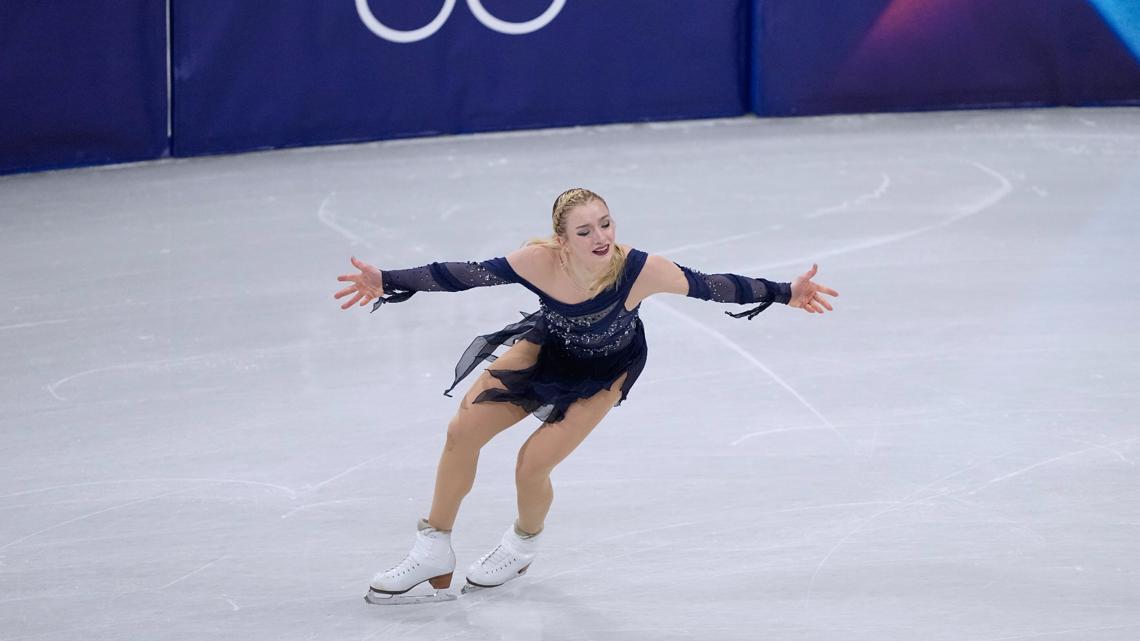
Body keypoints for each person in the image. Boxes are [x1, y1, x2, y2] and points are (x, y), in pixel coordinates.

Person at [334, 188, 839, 604]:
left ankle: (522, 543)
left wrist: (784, 292)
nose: (600, 237)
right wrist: (387, 280)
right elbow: (461, 274)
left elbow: (713, 285)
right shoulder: (536, 261)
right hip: (546, 346)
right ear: (562, 240)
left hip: (606, 369)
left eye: (605, 223)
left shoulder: (640, 269)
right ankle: (433, 546)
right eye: (585, 231)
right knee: (461, 431)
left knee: (531, 464)